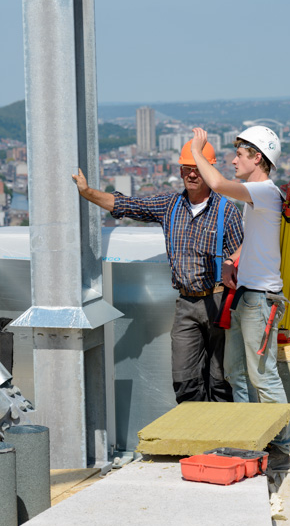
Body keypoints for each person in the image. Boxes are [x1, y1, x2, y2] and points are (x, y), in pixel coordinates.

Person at [72, 139, 243, 404]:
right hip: (187, 303)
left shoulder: (226, 211)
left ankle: (223, 443)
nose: (192, 174)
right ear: (179, 171)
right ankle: (196, 439)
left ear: (209, 170)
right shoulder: (170, 206)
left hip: (220, 302)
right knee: (185, 381)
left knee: (221, 382)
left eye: (197, 167)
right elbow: (127, 206)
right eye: (187, 168)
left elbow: (242, 258)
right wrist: (87, 193)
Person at [191, 126, 290, 470]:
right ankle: (254, 439)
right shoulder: (260, 197)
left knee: (262, 376)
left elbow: (217, 184)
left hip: (260, 300)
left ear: (258, 158)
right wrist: (235, 261)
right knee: (236, 372)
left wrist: (196, 149)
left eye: (240, 155)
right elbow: (256, 240)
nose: (234, 160)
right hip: (247, 295)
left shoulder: (264, 191)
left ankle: (281, 447)